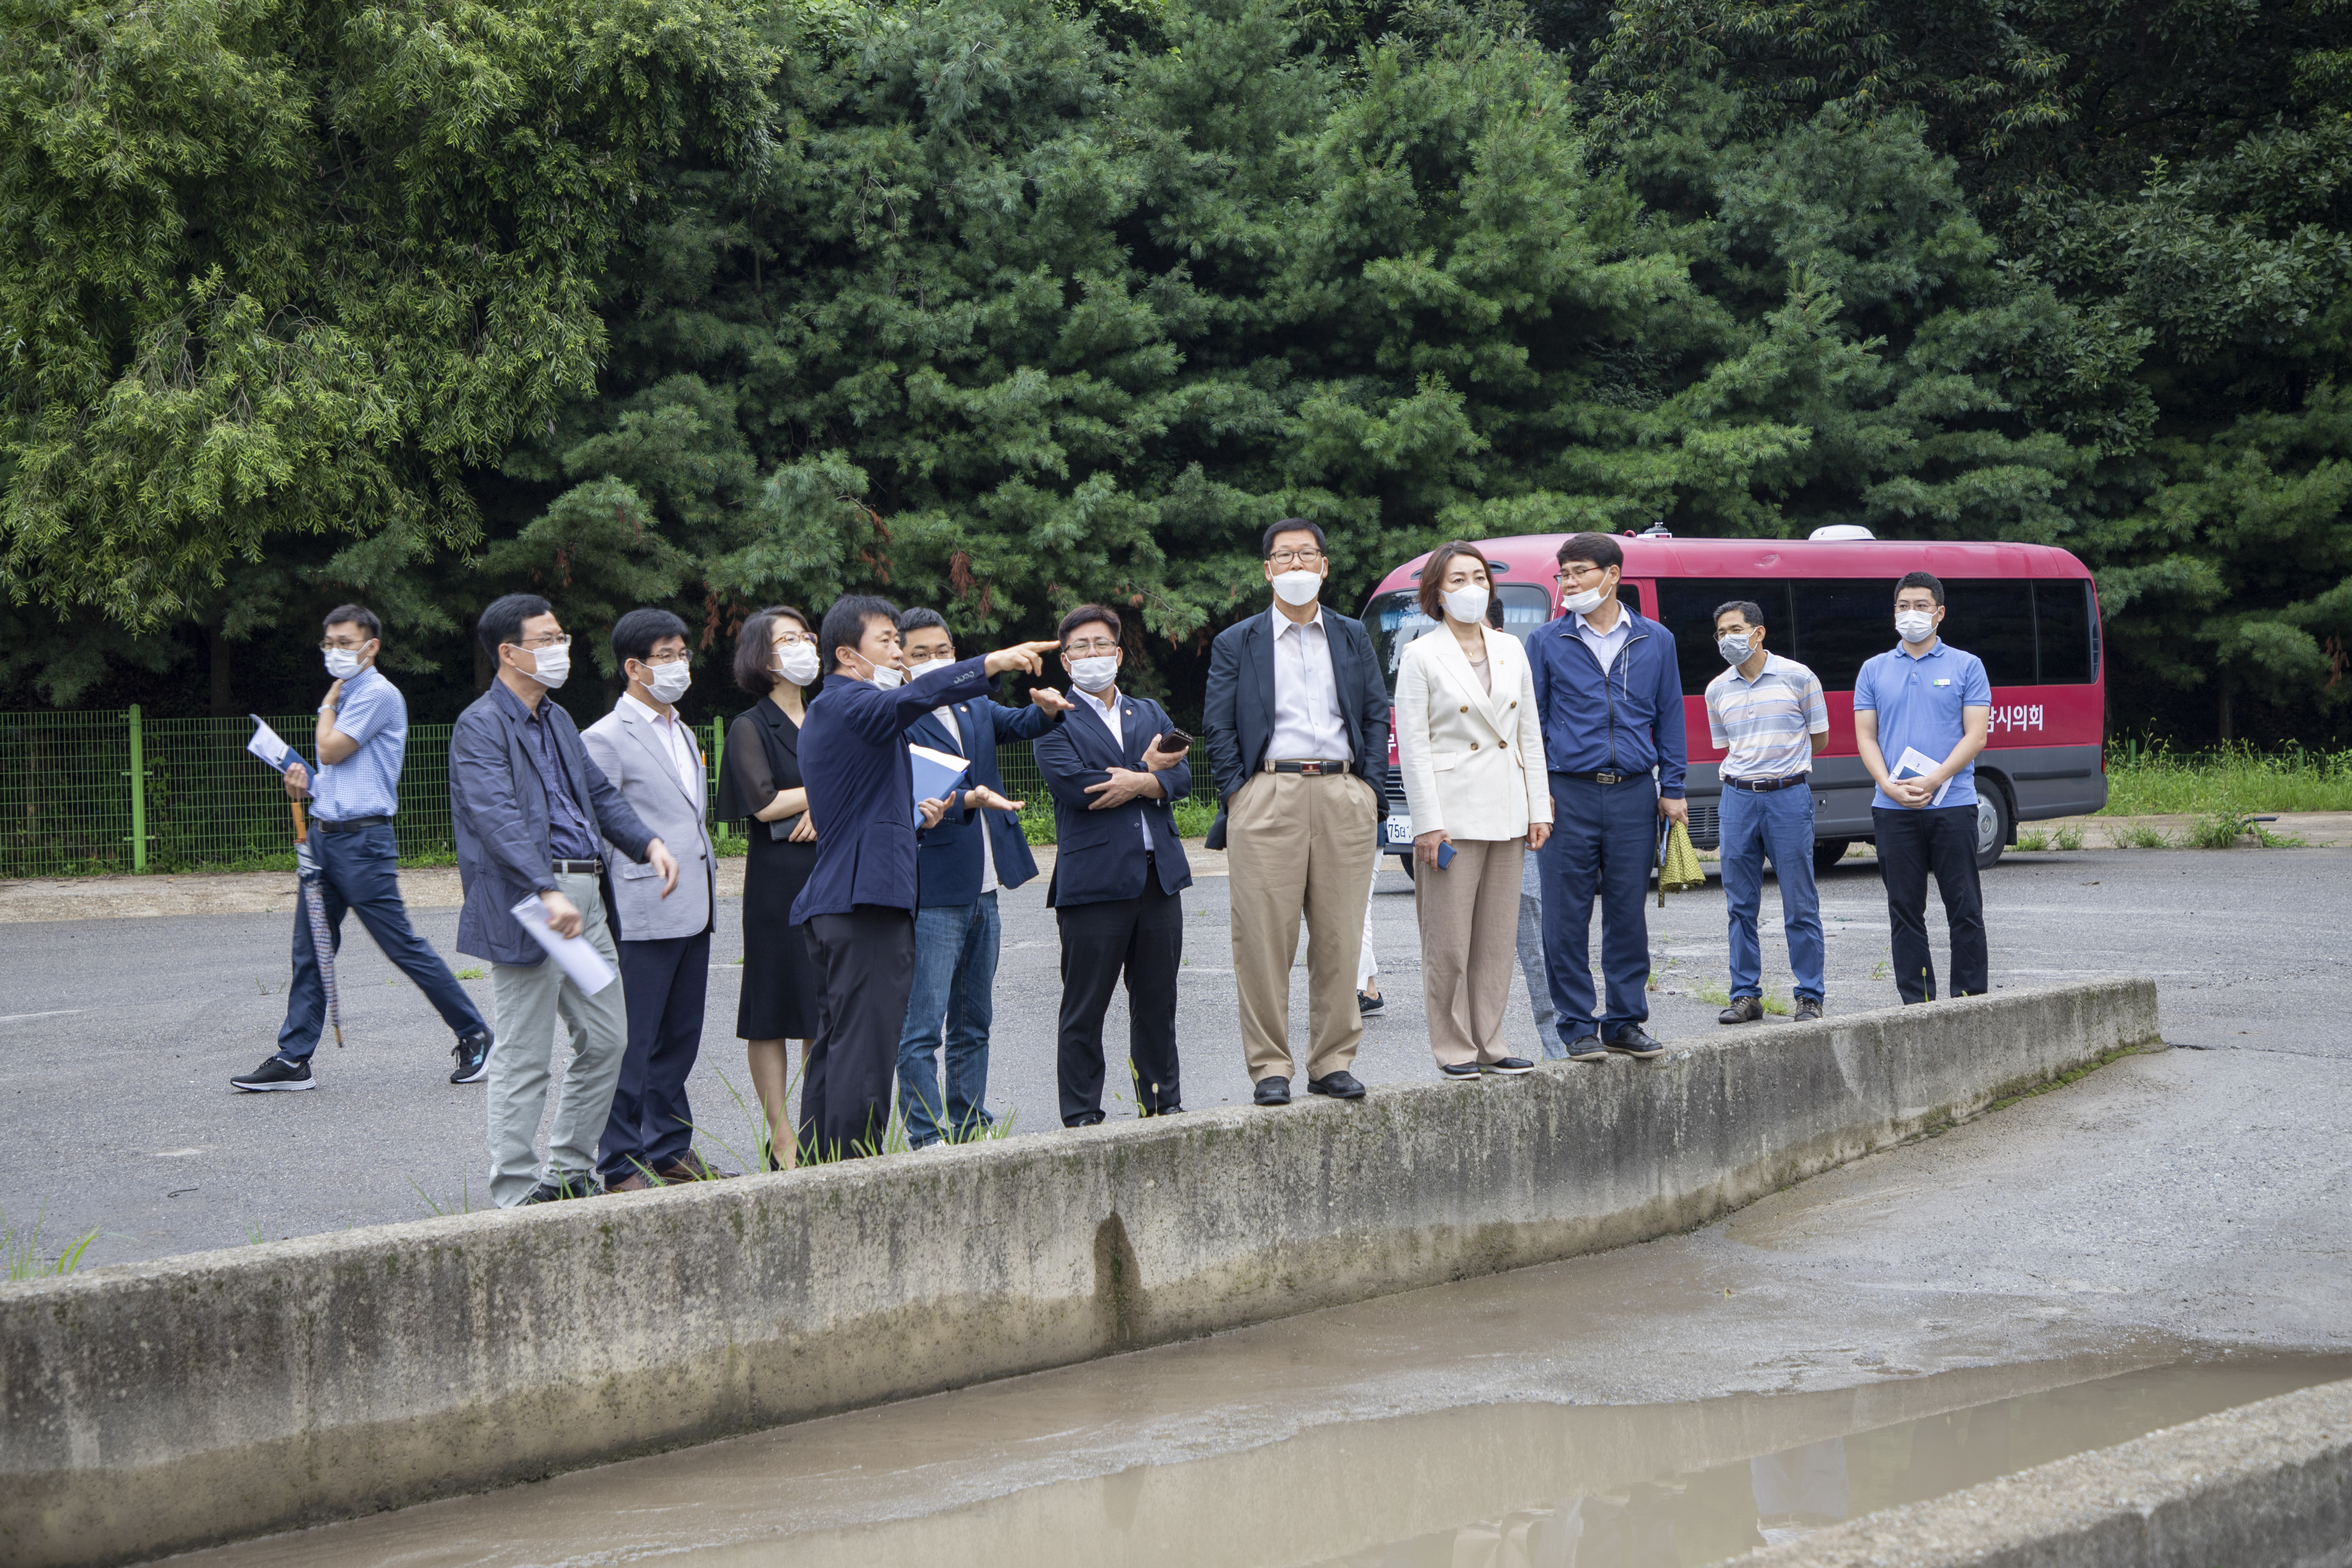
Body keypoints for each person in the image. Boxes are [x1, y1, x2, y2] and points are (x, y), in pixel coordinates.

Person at [791, 595, 1060, 1159]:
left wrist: (921, 816)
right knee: (866, 1052)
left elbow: (869, 806)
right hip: (862, 902)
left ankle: (820, 1171)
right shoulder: (849, 702)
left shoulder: (847, 711)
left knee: (841, 1048)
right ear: (847, 655)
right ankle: (850, 1175)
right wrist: (993, 662)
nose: (898, 653)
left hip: (856, 897)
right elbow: (919, 693)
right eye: (887, 641)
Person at [450, 593, 680, 1205]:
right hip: (533, 904)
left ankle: (569, 1170)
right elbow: (496, 820)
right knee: (525, 1056)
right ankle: (517, 1192)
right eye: (547, 640)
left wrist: (648, 843)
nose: (562, 649)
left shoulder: (554, 718)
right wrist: (547, 890)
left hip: (585, 896)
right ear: (509, 652)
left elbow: (598, 795)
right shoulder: (480, 726)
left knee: (608, 1039)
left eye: (562, 637)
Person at [231, 606, 493, 1092]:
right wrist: (301, 785)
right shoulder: (350, 696)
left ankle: (476, 1033)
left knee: (402, 946)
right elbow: (333, 774)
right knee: (310, 949)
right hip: (328, 834)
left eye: (345, 642)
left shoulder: (376, 694)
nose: (335, 652)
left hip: (362, 842)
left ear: (371, 646)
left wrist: (326, 704)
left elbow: (330, 750)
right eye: (328, 643)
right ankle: (294, 1059)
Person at [1202, 519, 1389, 1107]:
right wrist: (1240, 793)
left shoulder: (1352, 634)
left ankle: (1332, 1061)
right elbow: (1219, 725)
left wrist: (1370, 790)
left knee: (1339, 937)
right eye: (1284, 557)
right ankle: (1269, 1068)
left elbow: (1375, 713)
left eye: (1308, 555)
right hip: (1268, 793)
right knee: (1262, 940)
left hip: (1342, 792)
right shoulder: (1239, 641)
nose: (1297, 566)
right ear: (1267, 569)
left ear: (1325, 566)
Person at [893, 607, 1062, 1147]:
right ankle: (925, 1135)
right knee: (922, 1026)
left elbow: (1017, 725)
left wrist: (1048, 711)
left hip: (985, 885)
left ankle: (970, 1125)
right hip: (932, 886)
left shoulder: (971, 703)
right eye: (921, 655)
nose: (935, 662)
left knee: (973, 1021)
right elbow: (903, 802)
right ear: (899, 662)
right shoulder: (894, 715)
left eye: (944, 652)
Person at [1525, 532, 1688, 1063]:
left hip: (1635, 794)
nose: (1568, 583)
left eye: (1579, 573)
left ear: (1613, 574)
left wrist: (1675, 789)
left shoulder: (1655, 639)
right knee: (1564, 916)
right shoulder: (1547, 641)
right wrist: (1538, 792)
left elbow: (1670, 717)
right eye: (1563, 574)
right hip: (1567, 793)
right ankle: (1576, 1025)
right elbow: (1535, 723)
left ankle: (1623, 1020)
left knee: (1627, 913)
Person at [583, 608, 730, 1190]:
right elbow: (598, 827)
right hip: (641, 906)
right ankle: (618, 1161)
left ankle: (669, 1148)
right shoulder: (604, 737)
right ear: (634, 667)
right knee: (632, 1041)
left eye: (683, 655)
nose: (678, 666)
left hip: (695, 905)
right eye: (665, 657)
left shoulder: (684, 730)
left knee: (679, 1039)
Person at [1394, 541, 1553, 1079]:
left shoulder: (1512, 648)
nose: (1471, 589)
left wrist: (1538, 808)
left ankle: (1493, 1039)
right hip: (1452, 816)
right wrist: (1428, 823)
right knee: (1450, 942)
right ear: (1437, 592)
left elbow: (1529, 733)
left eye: (1478, 578)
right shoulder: (1420, 655)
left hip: (1508, 809)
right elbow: (1413, 747)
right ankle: (1454, 1045)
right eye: (1457, 580)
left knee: (1496, 939)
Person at [1031, 605, 1193, 1126]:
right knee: (1085, 1007)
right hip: (1093, 884)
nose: (1092, 655)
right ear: (1065, 660)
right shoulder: (1052, 718)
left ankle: (1161, 1103)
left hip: (1158, 879)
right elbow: (1080, 789)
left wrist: (1140, 780)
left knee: (1158, 1004)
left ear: (1119, 655)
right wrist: (1149, 773)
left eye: (1102, 645)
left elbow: (1184, 777)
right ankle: (1081, 1113)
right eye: (1080, 647)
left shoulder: (1148, 713)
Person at [716, 605, 823, 1170]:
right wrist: (824, 792)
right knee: (772, 1010)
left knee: (817, 1009)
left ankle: (814, 1129)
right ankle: (781, 1140)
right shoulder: (750, 725)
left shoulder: (829, 716)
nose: (804, 645)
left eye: (807, 636)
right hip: (777, 883)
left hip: (830, 872)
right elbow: (764, 805)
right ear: (763, 654)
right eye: (789, 639)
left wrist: (821, 804)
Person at [1853, 571, 1992, 1003]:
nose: (1912, 614)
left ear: (1940, 613)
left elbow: (1976, 735)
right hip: (1893, 808)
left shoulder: (1967, 665)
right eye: (1903, 606)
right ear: (1894, 611)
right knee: (1905, 910)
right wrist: (1888, 785)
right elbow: (1866, 736)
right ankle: (1918, 1002)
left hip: (1953, 803)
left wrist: (1935, 779)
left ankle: (1970, 999)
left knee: (1964, 907)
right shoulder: (1874, 669)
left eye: (1921, 606)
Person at [1704, 599, 1830, 1024]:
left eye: (1735, 630)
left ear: (1759, 633)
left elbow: (1821, 737)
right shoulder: (1717, 689)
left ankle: (1809, 995)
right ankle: (1745, 994)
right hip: (1737, 797)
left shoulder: (1798, 677)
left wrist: (1782, 766)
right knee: (1740, 903)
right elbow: (1725, 745)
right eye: (1721, 632)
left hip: (1787, 796)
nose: (1727, 639)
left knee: (1800, 901)